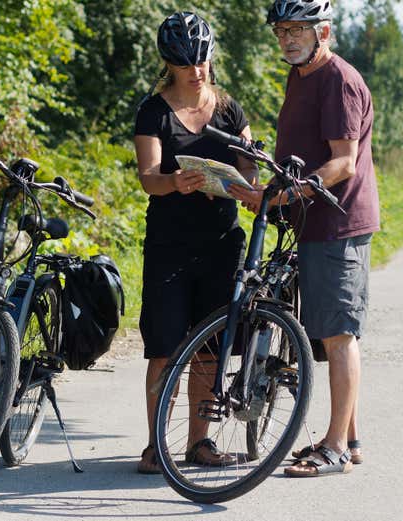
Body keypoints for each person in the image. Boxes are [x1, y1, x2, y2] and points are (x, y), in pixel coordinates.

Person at [229, 0, 380, 477]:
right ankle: (349, 438)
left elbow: (342, 163)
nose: (288, 38)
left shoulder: (338, 80)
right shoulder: (301, 76)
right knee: (327, 330)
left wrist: (280, 196)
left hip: (338, 224)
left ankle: (334, 448)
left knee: (338, 334)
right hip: (310, 221)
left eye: (298, 29)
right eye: (282, 31)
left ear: (324, 32)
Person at [133, 11, 258, 474]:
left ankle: (198, 444)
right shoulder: (154, 111)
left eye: (201, 60)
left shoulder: (228, 110)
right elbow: (148, 178)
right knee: (164, 347)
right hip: (169, 244)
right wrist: (175, 182)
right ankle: (154, 446)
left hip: (222, 244)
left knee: (210, 347)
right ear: (169, 63)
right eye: (186, 63)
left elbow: (249, 165)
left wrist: (245, 181)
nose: (196, 70)